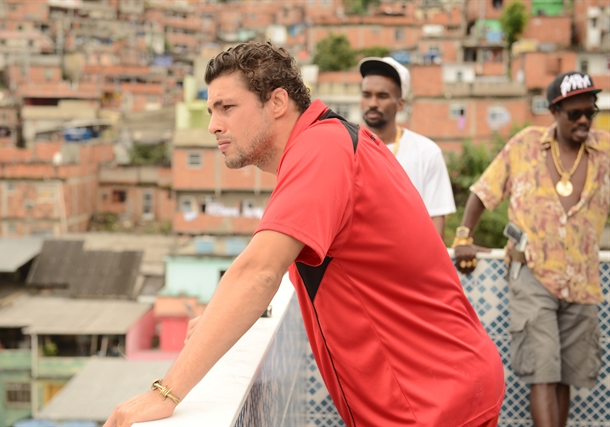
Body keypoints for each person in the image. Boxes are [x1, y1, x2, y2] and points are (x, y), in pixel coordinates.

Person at [105, 42, 504, 427]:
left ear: (277, 102)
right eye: (211, 110)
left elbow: (259, 272)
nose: (213, 125)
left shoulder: (322, 148)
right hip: (447, 385)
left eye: (227, 107)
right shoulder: (332, 138)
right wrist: (215, 317)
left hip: (432, 402)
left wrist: (166, 392)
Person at [453, 71, 609, 427]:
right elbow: (483, 191)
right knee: (543, 373)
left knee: (565, 376)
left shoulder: (604, 151)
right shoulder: (525, 145)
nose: (584, 120)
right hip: (533, 275)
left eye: (590, 112)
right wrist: (463, 237)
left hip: (582, 281)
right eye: (574, 114)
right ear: (554, 111)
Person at [359, 56, 456, 239]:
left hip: (408, 256)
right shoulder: (344, 148)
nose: (372, 103)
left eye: (382, 96)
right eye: (366, 95)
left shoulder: (427, 152)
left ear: (400, 104)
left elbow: (436, 221)